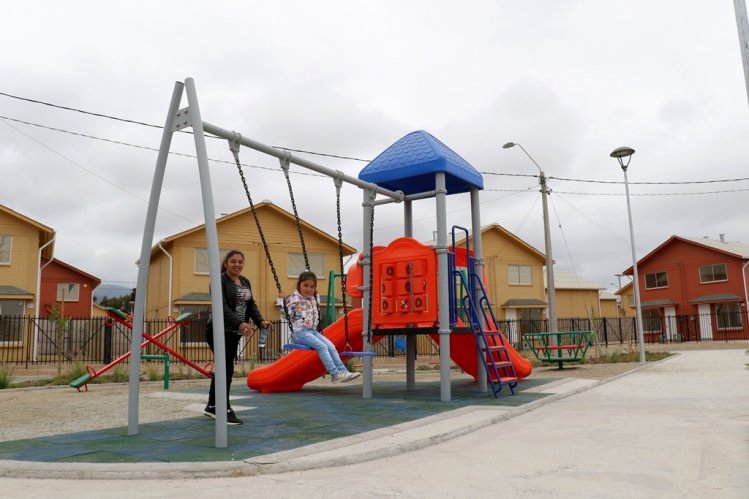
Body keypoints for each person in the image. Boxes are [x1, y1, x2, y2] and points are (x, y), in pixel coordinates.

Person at [205, 249, 272, 425]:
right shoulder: (219, 280)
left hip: (233, 333)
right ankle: (224, 409)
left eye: (240, 262)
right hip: (218, 330)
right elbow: (222, 306)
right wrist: (239, 323)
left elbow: (251, 305)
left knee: (224, 369)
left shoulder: (245, 281)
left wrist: (261, 322)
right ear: (226, 263)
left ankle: (212, 406)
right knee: (226, 370)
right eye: (233, 261)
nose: (237, 265)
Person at [286, 270, 360, 383]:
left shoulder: (313, 298)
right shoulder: (295, 299)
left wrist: (315, 295)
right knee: (322, 347)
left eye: (312, 286)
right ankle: (335, 373)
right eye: (305, 285)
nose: (308, 289)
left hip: (312, 332)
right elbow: (288, 312)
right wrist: (284, 301)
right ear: (299, 285)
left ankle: (343, 371)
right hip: (299, 333)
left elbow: (315, 306)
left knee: (331, 346)